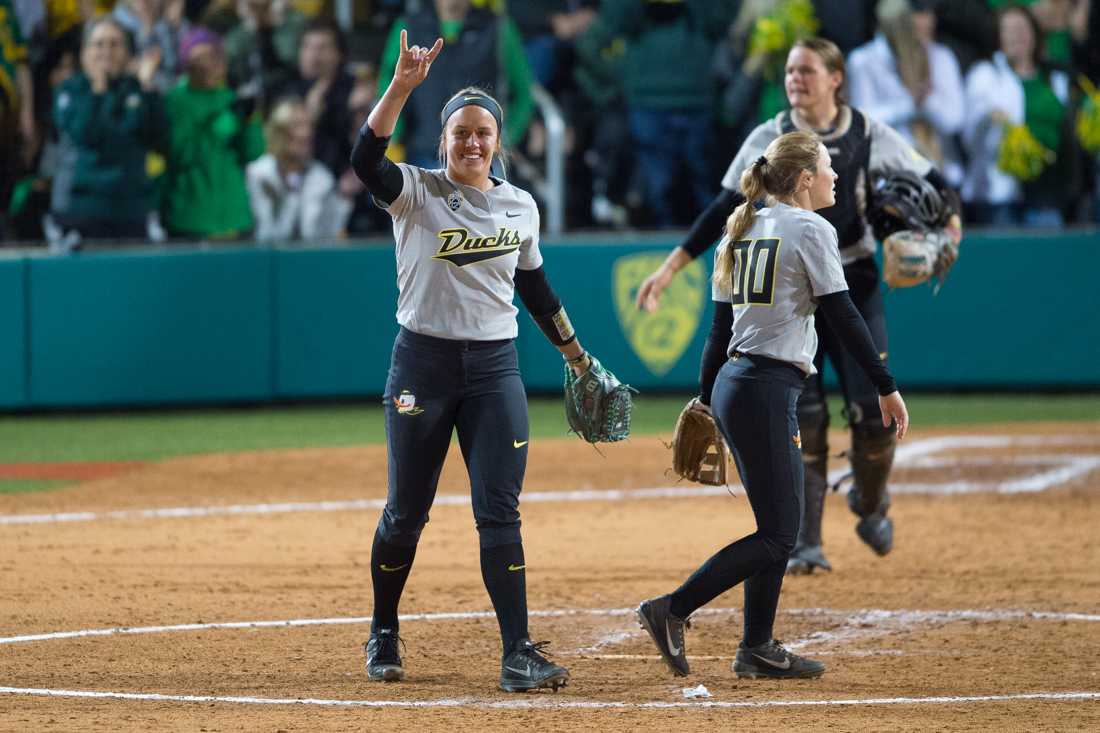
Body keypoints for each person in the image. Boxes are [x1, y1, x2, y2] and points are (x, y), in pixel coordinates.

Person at [635, 37, 960, 575]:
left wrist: (951, 230)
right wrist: (671, 268)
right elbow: (725, 206)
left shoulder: (866, 132)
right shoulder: (770, 137)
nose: (795, 80)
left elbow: (936, 184)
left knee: (870, 418)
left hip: (852, 275)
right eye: (789, 71)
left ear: (835, 79)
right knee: (802, 416)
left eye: (807, 71)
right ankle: (806, 541)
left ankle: (871, 500)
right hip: (791, 290)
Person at [350, 29, 596, 693]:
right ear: (443, 141)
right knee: (406, 511)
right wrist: (402, 86)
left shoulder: (520, 206)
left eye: (483, 132)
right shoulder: (415, 192)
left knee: (500, 511)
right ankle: (383, 627)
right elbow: (364, 158)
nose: (473, 142)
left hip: (494, 371)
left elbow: (537, 289)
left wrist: (576, 356)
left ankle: (517, 651)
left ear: (497, 141)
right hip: (422, 367)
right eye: (461, 132)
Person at [637, 130, 910, 681]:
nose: (835, 175)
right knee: (779, 535)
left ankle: (756, 646)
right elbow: (844, 316)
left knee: (774, 526)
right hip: (764, 388)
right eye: (828, 167)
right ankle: (672, 608)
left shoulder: (740, 228)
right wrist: (885, 384)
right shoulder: (810, 227)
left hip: (739, 384)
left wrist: (705, 397)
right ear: (804, 178)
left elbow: (718, 333)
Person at [47, 16, 168, 250]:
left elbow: (160, 138)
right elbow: (87, 135)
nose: (107, 52)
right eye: (99, 44)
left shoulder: (138, 89)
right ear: (84, 53)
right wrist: (98, 91)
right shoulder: (70, 90)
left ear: (128, 53)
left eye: (115, 44)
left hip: (130, 210)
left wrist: (146, 91)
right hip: (79, 209)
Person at [960, 4, 1076, 227]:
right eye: (1009, 30)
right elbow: (969, 136)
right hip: (1001, 193)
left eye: (1022, 29)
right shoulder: (985, 75)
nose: (1018, 37)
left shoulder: (1055, 76)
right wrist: (987, 116)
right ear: (998, 37)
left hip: (1049, 192)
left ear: (1034, 32)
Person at [163, 25, 264, 239]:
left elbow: (254, 152)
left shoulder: (230, 97)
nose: (208, 66)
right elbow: (183, 153)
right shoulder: (175, 101)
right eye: (199, 59)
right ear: (186, 64)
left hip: (234, 215)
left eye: (213, 57)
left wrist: (250, 119)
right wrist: (224, 125)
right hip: (190, 217)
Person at [247, 97, 350, 241]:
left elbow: (329, 237)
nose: (305, 134)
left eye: (309, 126)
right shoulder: (258, 175)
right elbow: (263, 236)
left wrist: (344, 198)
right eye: (296, 126)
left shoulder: (322, 178)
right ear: (278, 132)